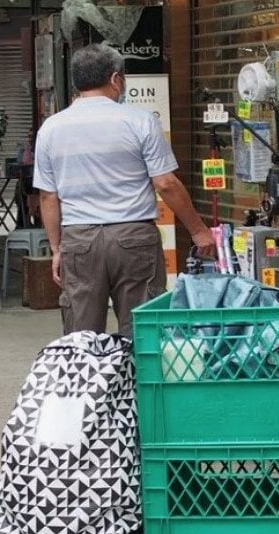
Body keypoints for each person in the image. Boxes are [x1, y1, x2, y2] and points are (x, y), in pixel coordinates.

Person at [33, 43, 216, 337]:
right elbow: (166, 183)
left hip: (80, 239)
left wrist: (57, 249)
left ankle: (87, 382)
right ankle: (137, 383)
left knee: (81, 334)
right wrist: (197, 229)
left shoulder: (51, 128)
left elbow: (47, 196)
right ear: (115, 78)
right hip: (134, 237)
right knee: (140, 330)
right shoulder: (140, 121)